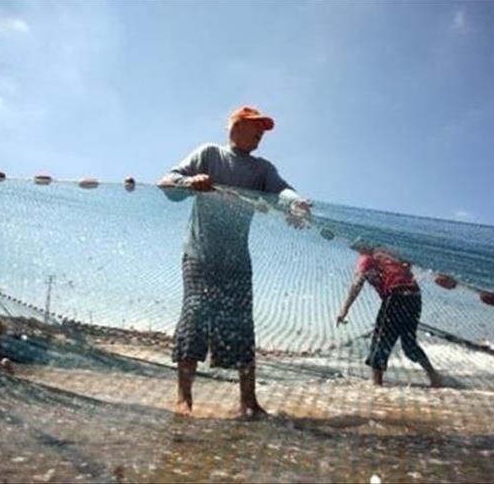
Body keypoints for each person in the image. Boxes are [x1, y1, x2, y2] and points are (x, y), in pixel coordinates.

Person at [157, 105, 311, 418]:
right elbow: (167, 183)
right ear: (235, 127)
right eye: (255, 126)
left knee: (241, 326)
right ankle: (183, 400)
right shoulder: (209, 154)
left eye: (264, 130)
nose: (261, 134)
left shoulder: (261, 169)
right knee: (195, 317)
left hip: (237, 261)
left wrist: (297, 204)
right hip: (199, 254)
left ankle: (249, 402)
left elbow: (282, 192)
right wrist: (190, 182)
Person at [336, 237, 443, 387]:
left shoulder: (366, 258)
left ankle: (376, 385)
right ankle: (435, 377)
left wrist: (344, 310)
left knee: (380, 340)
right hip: (414, 296)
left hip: (396, 295)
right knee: (409, 345)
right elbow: (408, 265)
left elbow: (357, 283)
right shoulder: (391, 255)